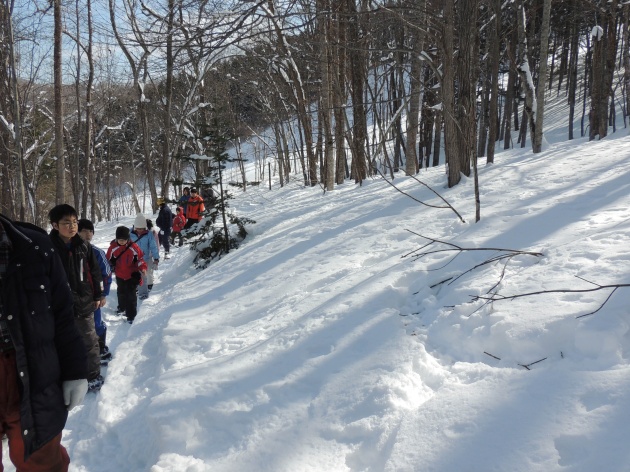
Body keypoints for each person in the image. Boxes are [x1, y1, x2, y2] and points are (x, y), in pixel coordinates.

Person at [0, 212, 88, 471]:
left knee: (42, 462)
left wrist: (75, 370)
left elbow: (62, 315)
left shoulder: (34, 246)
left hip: (33, 373)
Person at [49, 204, 105, 392]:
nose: (72, 227)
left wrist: (98, 294)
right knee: (62, 343)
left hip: (84, 302)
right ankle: (68, 376)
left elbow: (95, 272)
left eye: (74, 222)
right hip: (59, 305)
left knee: (89, 340)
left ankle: (93, 375)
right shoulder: (48, 248)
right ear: (55, 225)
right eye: (67, 223)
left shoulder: (84, 246)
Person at [78, 219, 113, 365]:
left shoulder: (97, 252)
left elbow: (106, 274)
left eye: (90, 231)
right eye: (84, 231)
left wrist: (103, 294)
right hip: (77, 298)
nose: (87, 234)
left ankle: (101, 348)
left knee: (96, 323)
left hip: (94, 297)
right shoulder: (71, 252)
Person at [106, 226, 147, 324]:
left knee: (131, 295)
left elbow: (140, 259)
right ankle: (121, 307)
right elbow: (107, 260)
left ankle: (131, 315)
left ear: (128, 239)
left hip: (131, 275)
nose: (122, 242)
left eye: (124, 240)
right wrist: (108, 269)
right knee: (121, 292)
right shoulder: (113, 247)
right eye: (119, 240)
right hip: (120, 274)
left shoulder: (134, 247)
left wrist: (143, 268)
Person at [130, 214, 159, 298]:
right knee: (134, 274)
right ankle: (136, 288)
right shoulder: (129, 233)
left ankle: (146, 289)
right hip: (133, 259)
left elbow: (153, 246)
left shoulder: (149, 234)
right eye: (138, 229)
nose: (139, 231)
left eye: (141, 229)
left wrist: (156, 258)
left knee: (145, 274)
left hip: (145, 258)